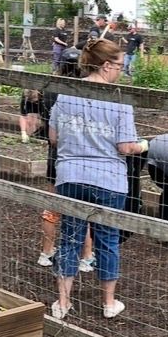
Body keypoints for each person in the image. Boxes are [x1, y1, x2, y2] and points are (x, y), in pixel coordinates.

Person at [48, 37, 147, 321]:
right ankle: (108, 302)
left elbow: (54, 138)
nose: (121, 70)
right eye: (119, 65)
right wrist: (144, 145)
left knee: (70, 238)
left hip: (70, 176)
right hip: (109, 179)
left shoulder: (66, 95)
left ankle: (63, 302)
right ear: (106, 66)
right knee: (107, 240)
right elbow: (125, 147)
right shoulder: (118, 101)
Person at [35, 47, 95, 270]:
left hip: (56, 155)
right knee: (84, 207)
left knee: (52, 204)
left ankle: (46, 251)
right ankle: (86, 256)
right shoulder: (85, 89)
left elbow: (48, 127)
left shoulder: (50, 89)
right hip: (80, 155)